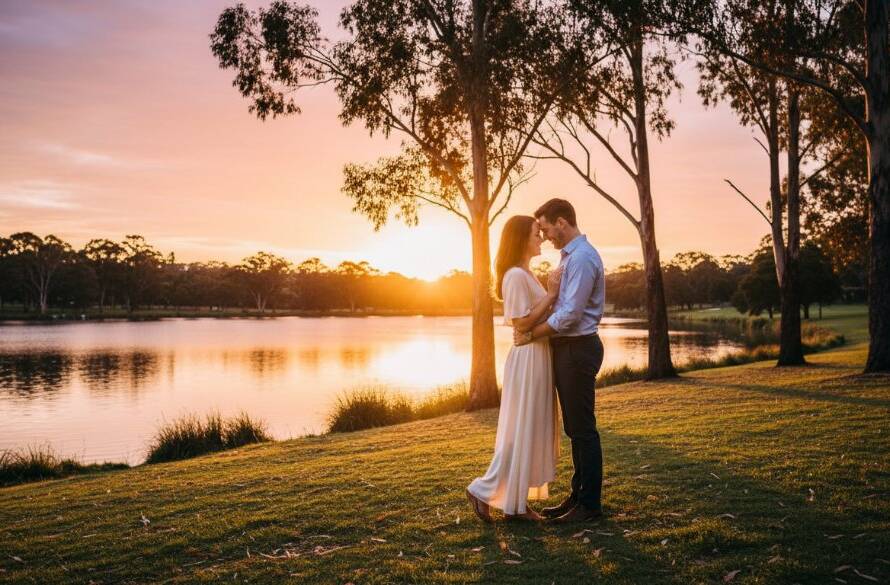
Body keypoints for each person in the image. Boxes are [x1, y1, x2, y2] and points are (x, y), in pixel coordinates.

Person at [515, 198, 606, 523]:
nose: (546, 236)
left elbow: (569, 316)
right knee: (574, 428)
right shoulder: (570, 258)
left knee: (583, 429)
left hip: (577, 347)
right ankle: (578, 496)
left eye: (546, 228)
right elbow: (560, 306)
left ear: (562, 222)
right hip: (568, 348)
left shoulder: (581, 259)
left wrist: (531, 333)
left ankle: (589, 505)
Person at [466, 215, 562, 522]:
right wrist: (551, 295)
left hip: (537, 355)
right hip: (528, 359)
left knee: (528, 429)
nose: (542, 238)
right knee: (522, 428)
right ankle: (484, 490)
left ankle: (515, 503)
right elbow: (521, 322)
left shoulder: (526, 273)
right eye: (537, 233)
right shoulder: (515, 276)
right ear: (521, 238)